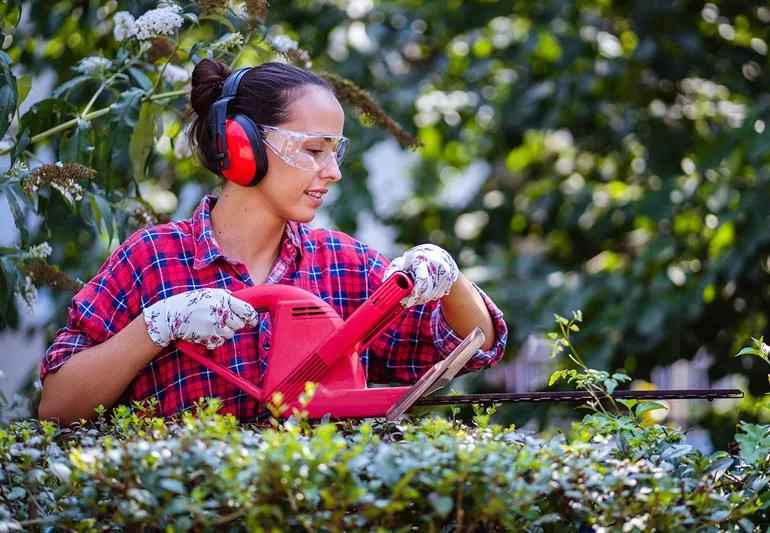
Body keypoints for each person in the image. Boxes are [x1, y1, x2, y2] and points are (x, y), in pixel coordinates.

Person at [38, 59, 508, 425]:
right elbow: (57, 408)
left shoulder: (343, 265)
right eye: (314, 150)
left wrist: (448, 277)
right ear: (243, 145)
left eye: (335, 152)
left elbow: (475, 344)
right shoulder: (152, 260)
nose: (334, 172)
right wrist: (157, 326)